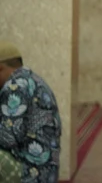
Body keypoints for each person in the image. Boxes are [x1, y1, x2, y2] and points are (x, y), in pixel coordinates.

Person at [0, 42, 61, 183]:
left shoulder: (14, 87)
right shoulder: (33, 79)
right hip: (47, 172)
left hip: (29, 173)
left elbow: (7, 138)